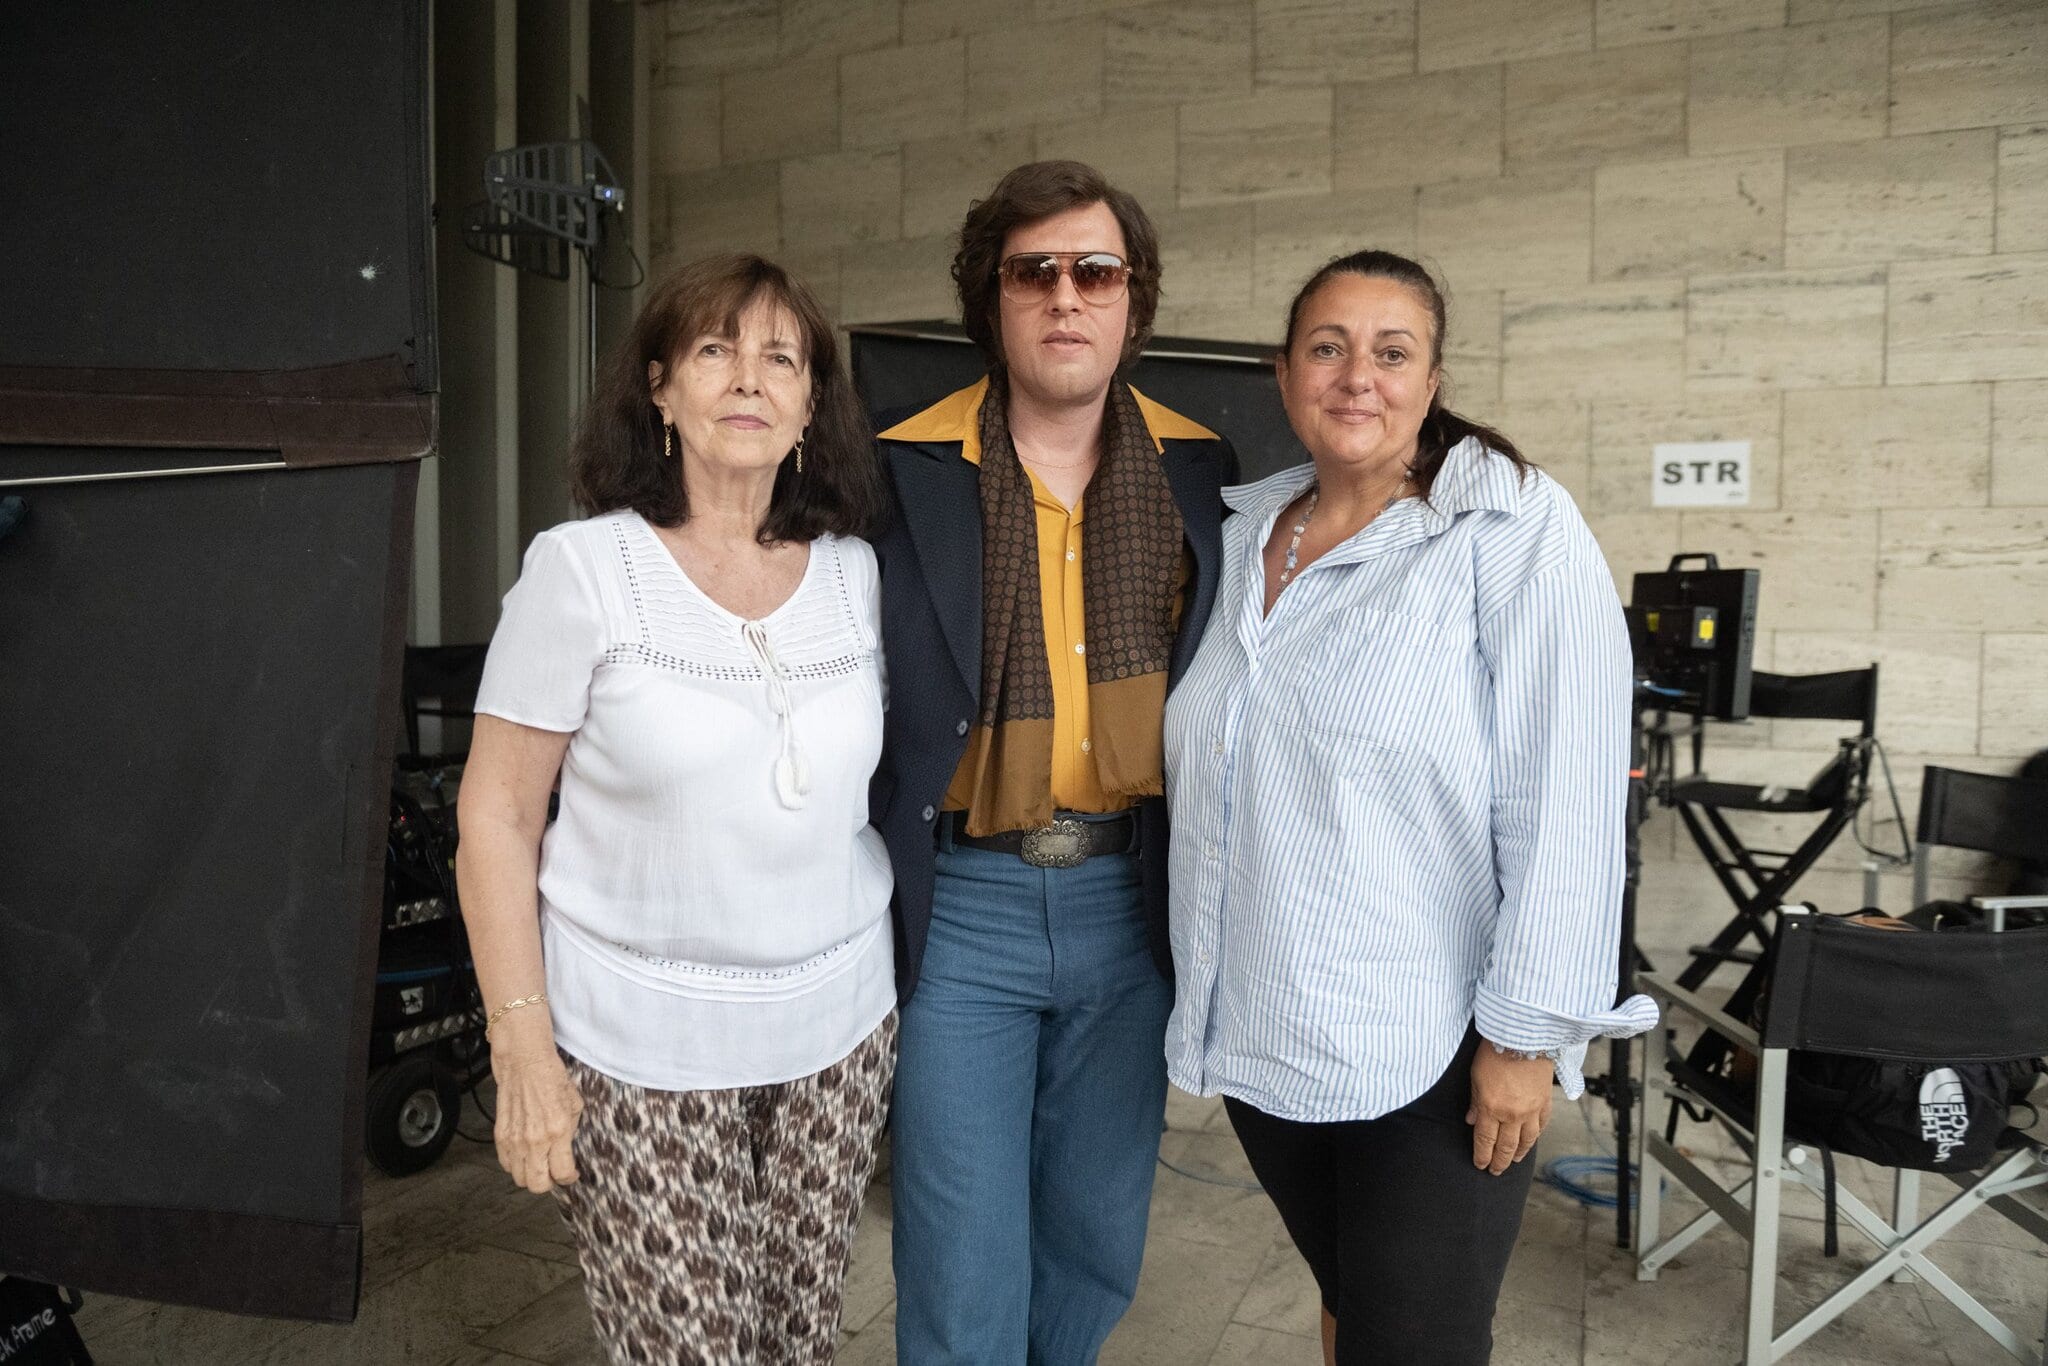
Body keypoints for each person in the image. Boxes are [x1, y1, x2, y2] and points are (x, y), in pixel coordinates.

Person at [1162, 249, 1656, 1366]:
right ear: (1283, 374)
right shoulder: (1240, 534)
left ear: (1432, 381)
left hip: (1432, 1048)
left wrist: (1524, 1038)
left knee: (1415, 1341)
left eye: (1392, 353)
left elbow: (1568, 803)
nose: (1357, 377)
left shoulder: (1509, 526)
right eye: (1327, 348)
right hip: (1271, 1032)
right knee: (1353, 1303)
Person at [455, 254, 895, 1364]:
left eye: (779, 358)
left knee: (798, 1342)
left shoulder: (856, 574)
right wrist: (521, 1046)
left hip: (837, 1041)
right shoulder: (582, 570)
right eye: (713, 350)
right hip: (638, 1050)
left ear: (810, 404)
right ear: (658, 388)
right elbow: (496, 816)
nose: (748, 378)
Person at [869, 160, 1238, 1362]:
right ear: (992, 300)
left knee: (1093, 1236)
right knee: (958, 1246)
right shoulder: (894, 467)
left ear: (1133, 298)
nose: (1065, 297)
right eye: (1032, 273)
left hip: (1129, 900)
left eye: (1095, 271)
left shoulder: (1204, 470)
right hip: (961, 905)